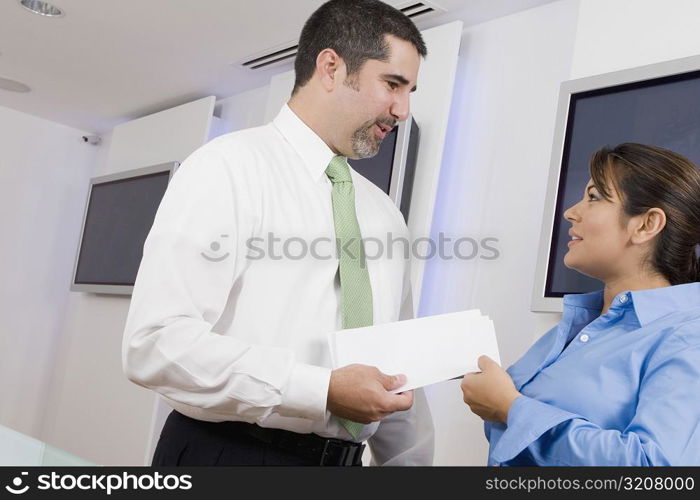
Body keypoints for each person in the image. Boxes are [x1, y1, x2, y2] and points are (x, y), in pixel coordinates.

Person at [122, 0, 434, 466]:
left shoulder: (385, 213)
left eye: (410, 91)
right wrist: (320, 390)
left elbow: (396, 365)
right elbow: (156, 345)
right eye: (393, 84)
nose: (403, 109)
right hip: (228, 456)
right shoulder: (226, 167)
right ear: (330, 67)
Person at [461, 143, 700, 465]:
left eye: (594, 197)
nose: (571, 212)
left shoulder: (687, 337)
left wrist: (510, 407)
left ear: (646, 225)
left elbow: (652, 468)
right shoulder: (577, 326)